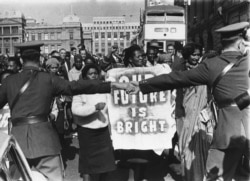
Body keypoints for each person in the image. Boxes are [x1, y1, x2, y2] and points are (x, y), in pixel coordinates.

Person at [128, 22, 250, 181]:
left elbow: (176, 78)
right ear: (242, 42)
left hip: (227, 130)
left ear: (222, 42)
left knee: (216, 177)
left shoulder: (211, 65)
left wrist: (142, 85)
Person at [0, 42, 129, 181]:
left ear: (20, 60)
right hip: (45, 142)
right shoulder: (48, 79)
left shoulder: (9, 82)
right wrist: (113, 84)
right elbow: (77, 86)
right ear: (40, 60)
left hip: (17, 144)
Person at [72, 64, 116, 181]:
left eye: (95, 73)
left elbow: (111, 109)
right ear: (85, 76)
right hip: (87, 131)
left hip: (102, 131)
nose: (93, 76)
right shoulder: (79, 90)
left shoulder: (104, 88)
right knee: (87, 164)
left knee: (106, 163)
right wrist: (94, 108)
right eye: (90, 74)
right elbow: (75, 110)